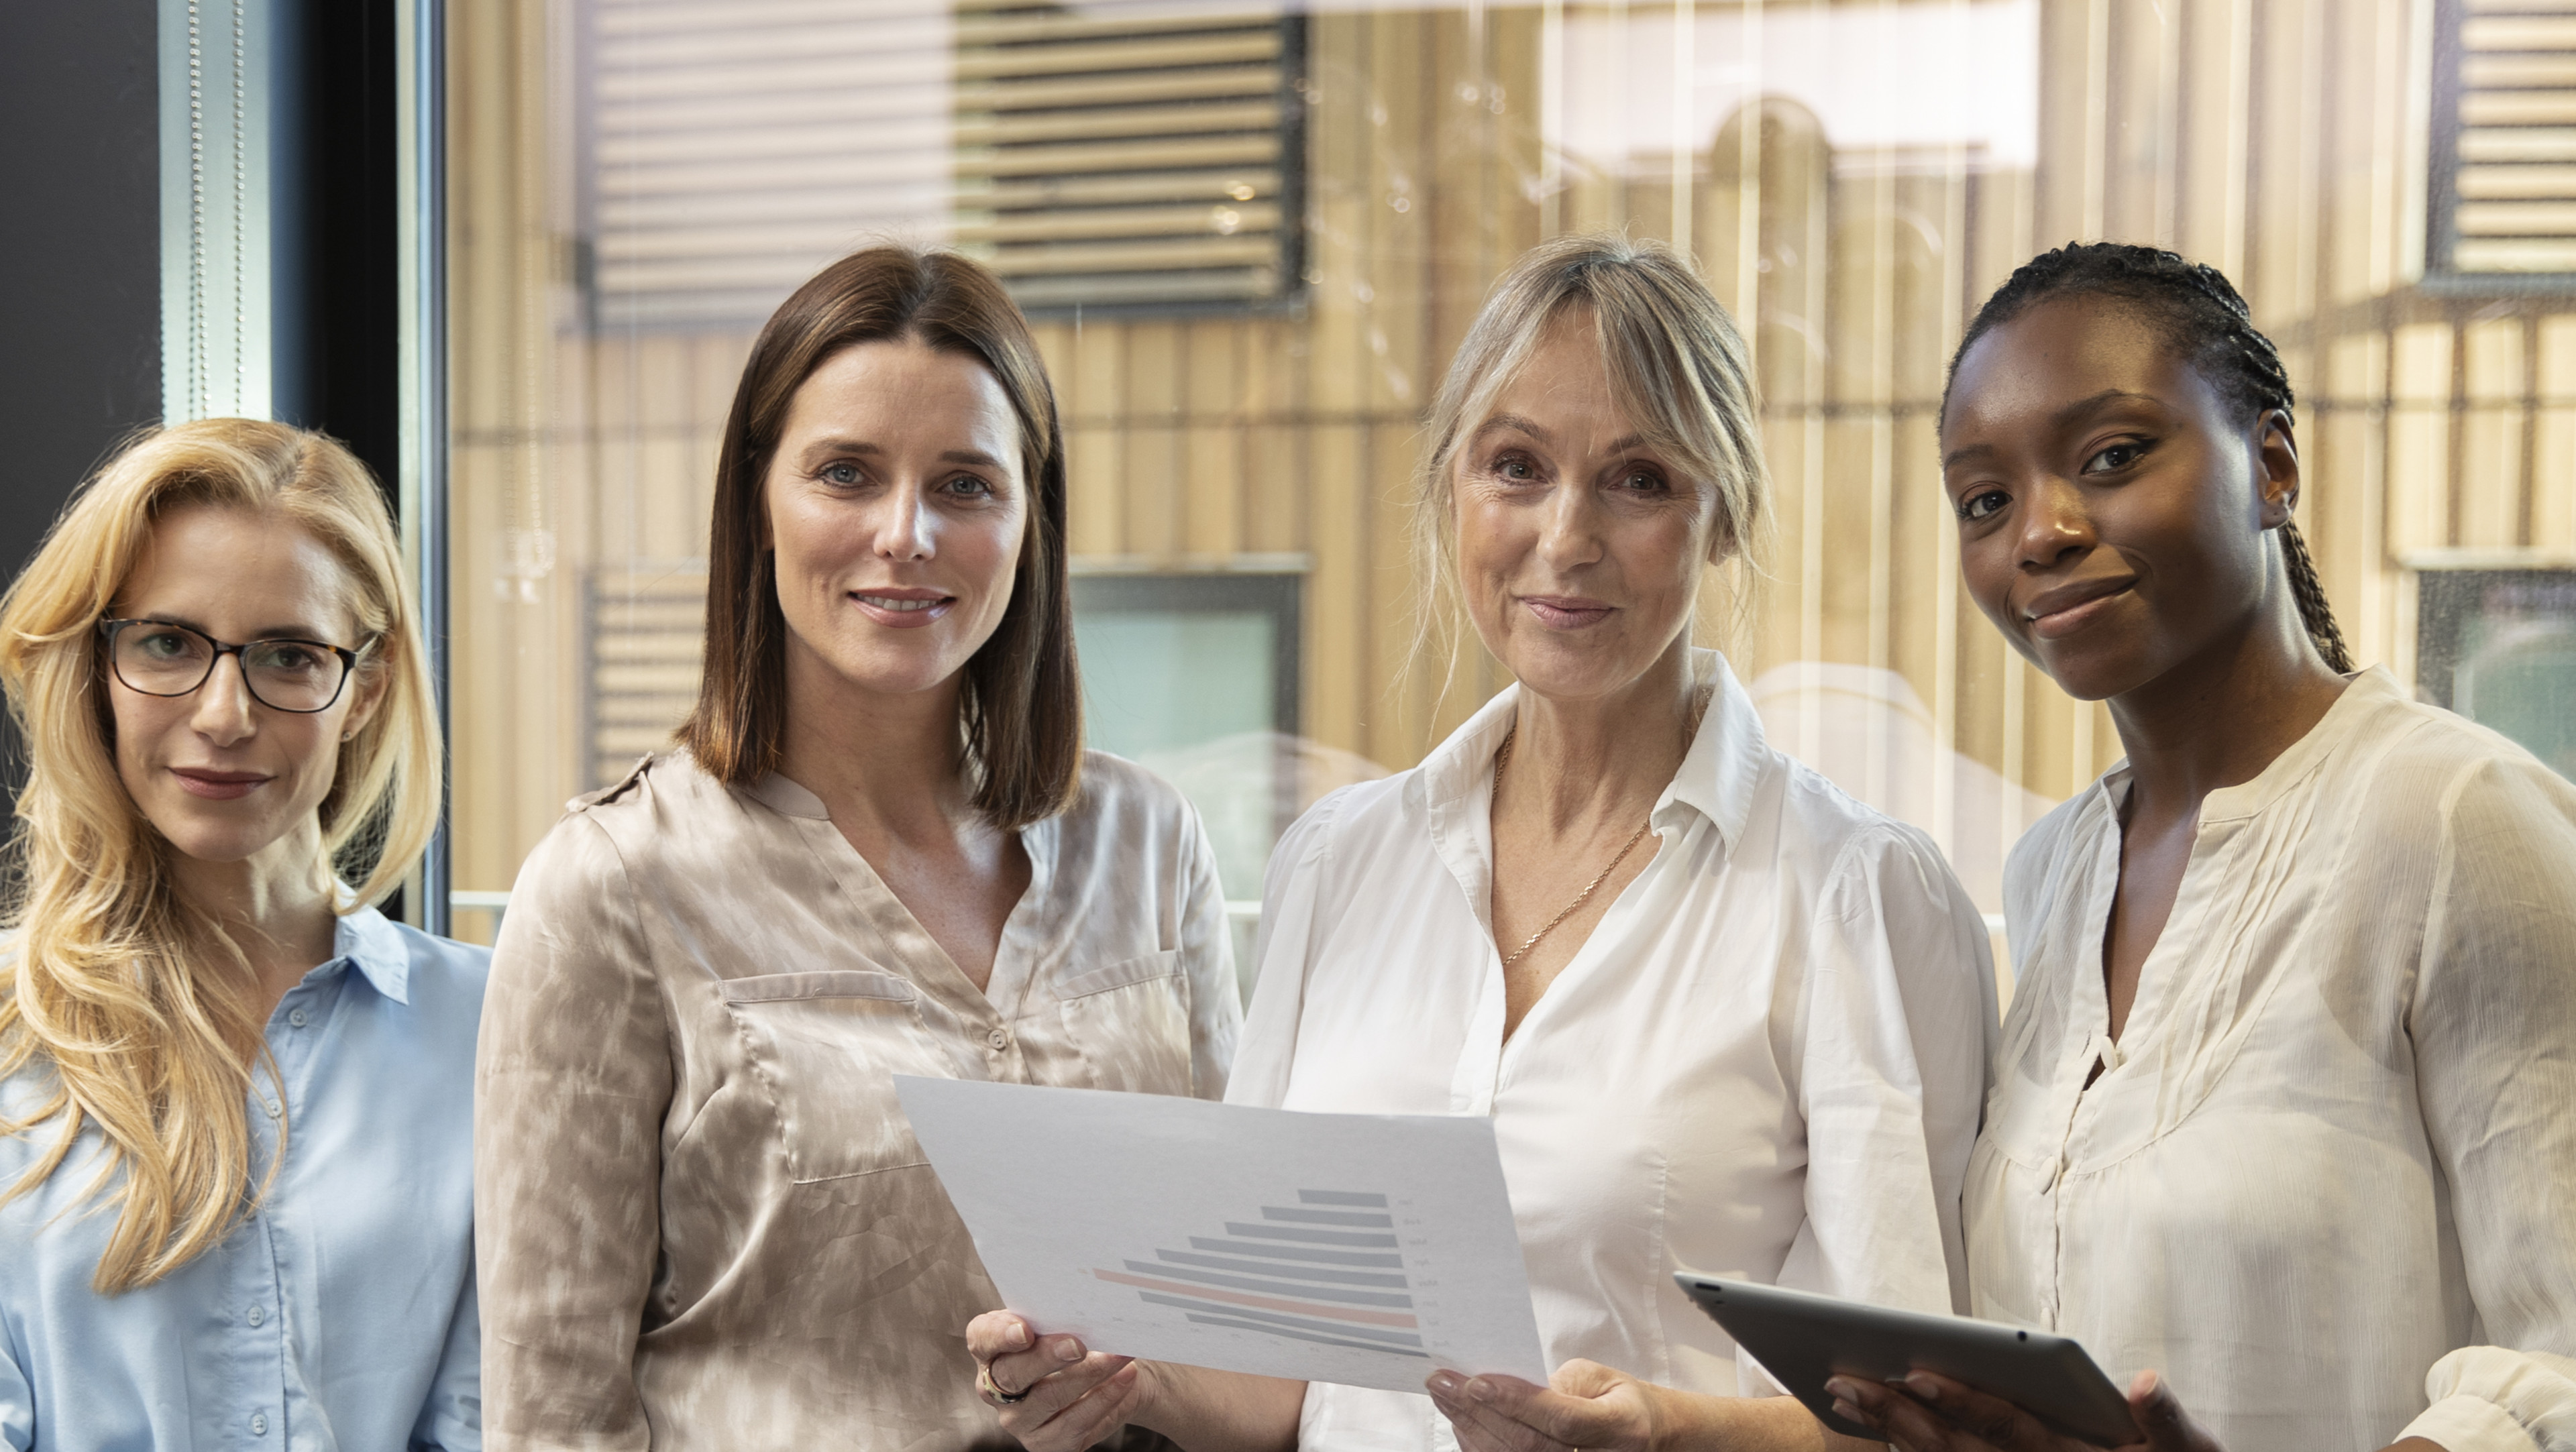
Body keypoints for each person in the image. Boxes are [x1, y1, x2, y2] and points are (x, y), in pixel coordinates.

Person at [966, 233, 1999, 1452]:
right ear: (1454, 490)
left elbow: (1926, 1423)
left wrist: (1666, 1433)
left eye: (1640, 479)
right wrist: (1116, 1375)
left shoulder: (1858, 894)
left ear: (1725, 518)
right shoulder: (1340, 862)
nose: (1567, 537)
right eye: (1517, 466)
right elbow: (1279, 1379)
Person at [473, 245, 1239, 1447]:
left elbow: (1237, 1315)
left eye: (966, 485)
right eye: (845, 473)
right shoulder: (610, 886)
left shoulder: (1150, 842)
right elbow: (554, 1411)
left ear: (1030, 521)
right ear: (758, 503)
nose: (906, 533)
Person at [1829, 243, 2576, 1452]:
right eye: (1987, 499)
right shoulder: (2056, 870)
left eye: (2112, 457)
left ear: (2272, 465)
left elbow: (2562, 1363)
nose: (2042, 532)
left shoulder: (2460, 818)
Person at [0, 418, 479, 1447]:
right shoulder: (8, 1029)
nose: (223, 713)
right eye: (168, 642)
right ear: (99, 662)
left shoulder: (497, 1027)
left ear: (366, 690)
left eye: (289, 655)